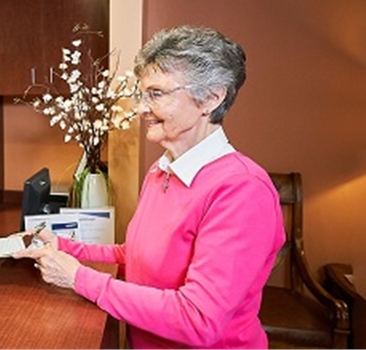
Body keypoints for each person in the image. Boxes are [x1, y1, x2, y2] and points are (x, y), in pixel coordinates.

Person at [15, 26, 285, 348]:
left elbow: (198, 319)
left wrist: (79, 278)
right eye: (141, 94)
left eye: (156, 94)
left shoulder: (242, 190)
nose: (141, 108)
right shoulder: (161, 170)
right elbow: (134, 256)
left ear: (212, 98)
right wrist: (63, 246)